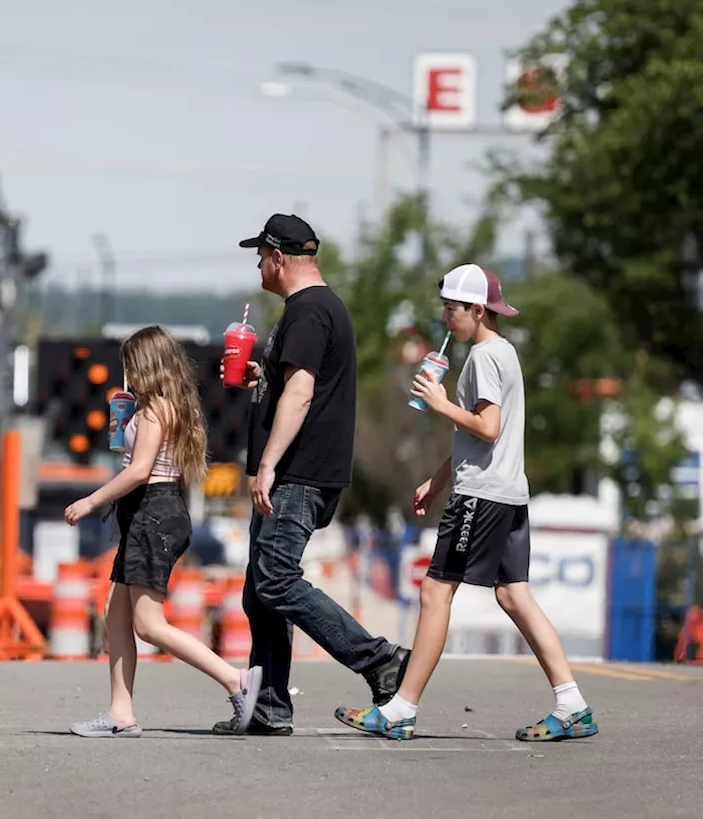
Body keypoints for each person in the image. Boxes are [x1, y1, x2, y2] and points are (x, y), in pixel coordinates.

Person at [335, 263, 599, 742]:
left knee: (436, 591)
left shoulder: (483, 357)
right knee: (512, 594)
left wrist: (438, 403)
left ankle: (400, 710)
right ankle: (572, 704)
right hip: (506, 492)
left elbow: (488, 426)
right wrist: (437, 480)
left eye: (452, 310)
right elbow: (478, 435)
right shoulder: (503, 352)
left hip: (482, 495)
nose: (446, 319)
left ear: (478, 310)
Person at [215, 214, 409, 737]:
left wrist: (268, 465)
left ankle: (378, 660)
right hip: (302, 472)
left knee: (275, 580)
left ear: (279, 258)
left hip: (297, 474)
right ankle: (269, 707)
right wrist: (262, 376)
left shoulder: (307, 312)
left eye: (260, 255)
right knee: (260, 591)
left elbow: (301, 395)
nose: (258, 264)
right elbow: (298, 384)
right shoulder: (319, 310)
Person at [65, 325, 264, 738]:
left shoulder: (156, 408)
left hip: (153, 513)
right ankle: (121, 713)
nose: (128, 376)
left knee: (148, 624)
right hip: (147, 513)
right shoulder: (155, 406)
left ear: (148, 365)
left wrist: (91, 501)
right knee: (114, 613)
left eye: (131, 367)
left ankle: (236, 680)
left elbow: (140, 472)